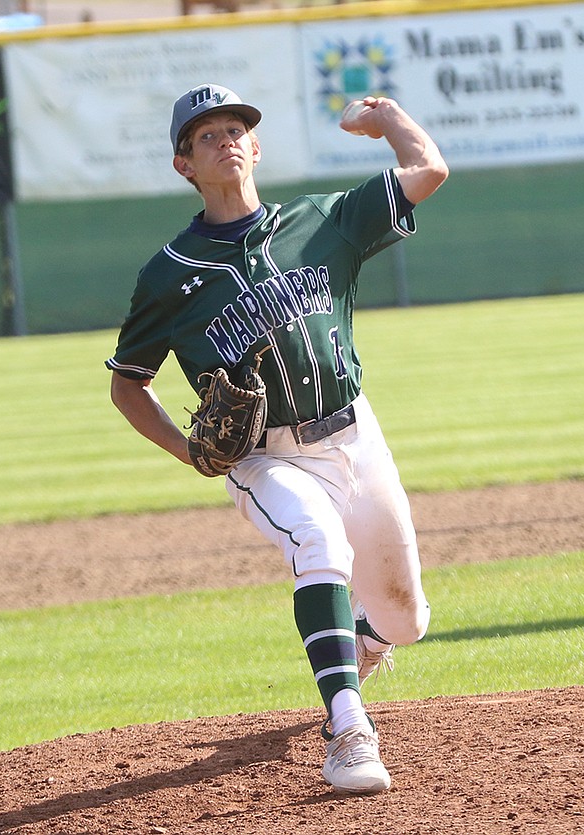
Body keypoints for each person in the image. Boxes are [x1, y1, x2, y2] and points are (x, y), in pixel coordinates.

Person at [106, 83, 448, 791]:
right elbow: (128, 382)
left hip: (357, 436)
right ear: (184, 165)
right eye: (206, 135)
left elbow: (428, 170)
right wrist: (190, 452)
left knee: (407, 617)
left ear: (256, 147)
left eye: (236, 129)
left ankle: (359, 640)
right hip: (266, 459)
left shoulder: (323, 221)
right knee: (317, 541)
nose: (225, 139)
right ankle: (349, 728)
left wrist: (386, 119)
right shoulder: (168, 275)